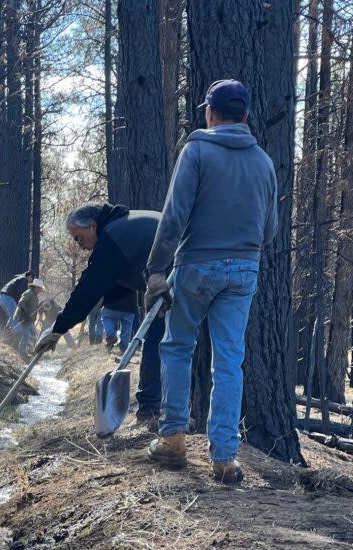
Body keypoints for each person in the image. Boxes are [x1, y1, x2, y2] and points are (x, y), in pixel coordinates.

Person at [144, 79, 278, 485]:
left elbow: (173, 217)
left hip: (196, 267)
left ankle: (173, 439)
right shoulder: (264, 163)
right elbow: (269, 230)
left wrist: (155, 269)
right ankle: (224, 459)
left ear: (211, 113)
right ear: (246, 115)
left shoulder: (196, 150)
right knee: (229, 361)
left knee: (178, 347)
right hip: (243, 270)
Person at [34, 203, 164, 429]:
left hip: (176, 276)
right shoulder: (123, 226)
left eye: (79, 237)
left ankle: (151, 412)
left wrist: (59, 328)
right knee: (168, 344)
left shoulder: (113, 236)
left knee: (156, 342)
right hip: (185, 271)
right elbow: (114, 284)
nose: (79, 245)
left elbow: (89, 287)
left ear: (92, 226)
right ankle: (167, 410)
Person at [13, 279, 45, 357]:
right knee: (26, 336)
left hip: (30, 319)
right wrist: (25, 313)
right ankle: (22, 353)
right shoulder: (28, 293)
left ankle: (31, 350)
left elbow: (34, 306)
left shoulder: (35, 296)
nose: (41, 290)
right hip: (23, 318)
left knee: (34, 334)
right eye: (40, 288)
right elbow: (21, 303)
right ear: (36, 287)